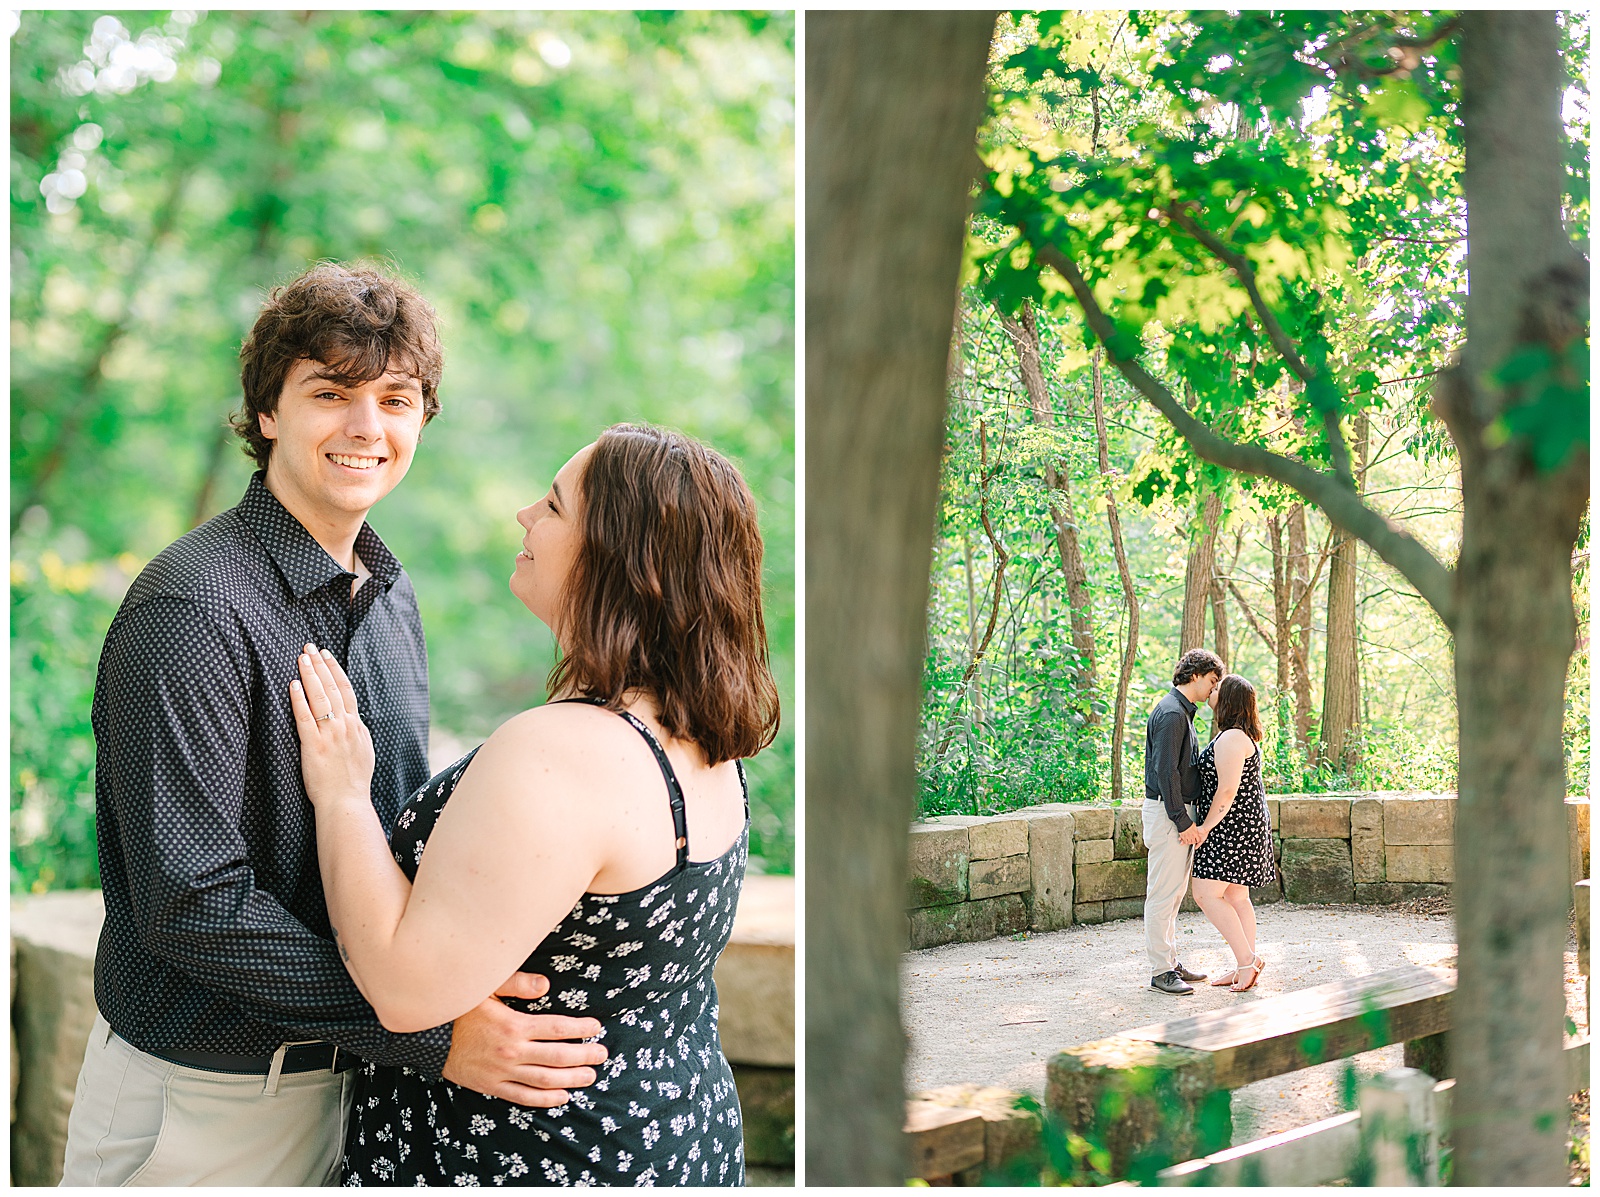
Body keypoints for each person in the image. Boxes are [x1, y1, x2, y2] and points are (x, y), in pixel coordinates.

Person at [60, 263, 605, 1187]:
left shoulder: (392, 603)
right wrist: (428, 1029)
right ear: (268, 413)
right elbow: (189, 902)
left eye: (396, 399)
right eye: (331, 392)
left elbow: (386, 846)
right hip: (209, 1101)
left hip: (350, 1093)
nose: (367, 427)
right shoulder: (194, 604)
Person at [291, 423, 780, 1186]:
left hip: (528, 1160)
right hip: (663, 1138)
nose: (525, 515)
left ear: (621, 561)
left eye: (553, 506)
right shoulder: (700, 733)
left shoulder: (564, 751)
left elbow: (403, 988)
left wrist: (343, 793)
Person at [1142, 647, 1225, 995]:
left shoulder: (1180, 712)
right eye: (1211, 679)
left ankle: (1170, 962)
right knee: (1163, 895)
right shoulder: (1173, 714)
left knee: (1173, 894)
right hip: (1167, 813)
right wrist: (1182, 820)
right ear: (1194, 675)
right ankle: (1162, 970)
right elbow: (1165, 773)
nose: (1213, 688)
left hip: (1172, 813)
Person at [1190, 674, 1276, 992]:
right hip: (1243, 825)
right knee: (1236, 896)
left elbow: (1227, 791)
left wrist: (1204, 828)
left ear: (1227, 700)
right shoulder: (1236, 736)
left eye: (1216, 689)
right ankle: (1246, 963)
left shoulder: (1230, 738)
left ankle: (1246, 963)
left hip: (1232, 827)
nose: (1211, 692)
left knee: (1205, 893)